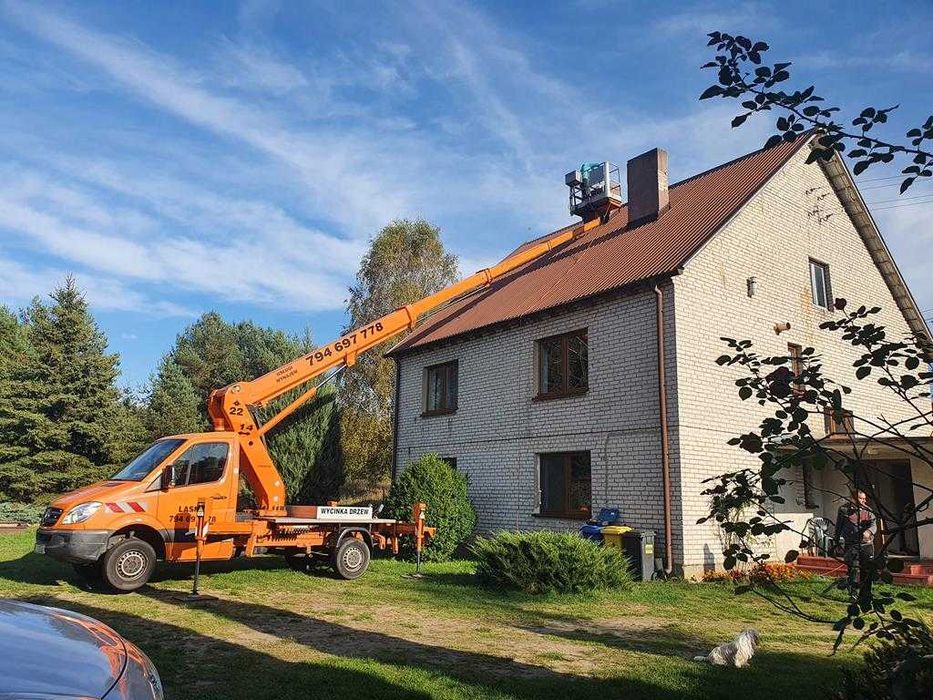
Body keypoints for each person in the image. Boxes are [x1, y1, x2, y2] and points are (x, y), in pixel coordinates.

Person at [833, 489, 876, 589]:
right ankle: (853, 591)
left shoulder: (868, 510)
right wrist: (836, 541)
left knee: (866, 568)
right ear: (853, 499)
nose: (864, 501)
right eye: (861, 499)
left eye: (864, 499)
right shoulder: (844, 510)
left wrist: (869, 531)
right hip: (851, 544)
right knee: (853, 569)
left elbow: (874, 525)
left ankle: (866, 590)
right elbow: (839, 526)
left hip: (866, 544)